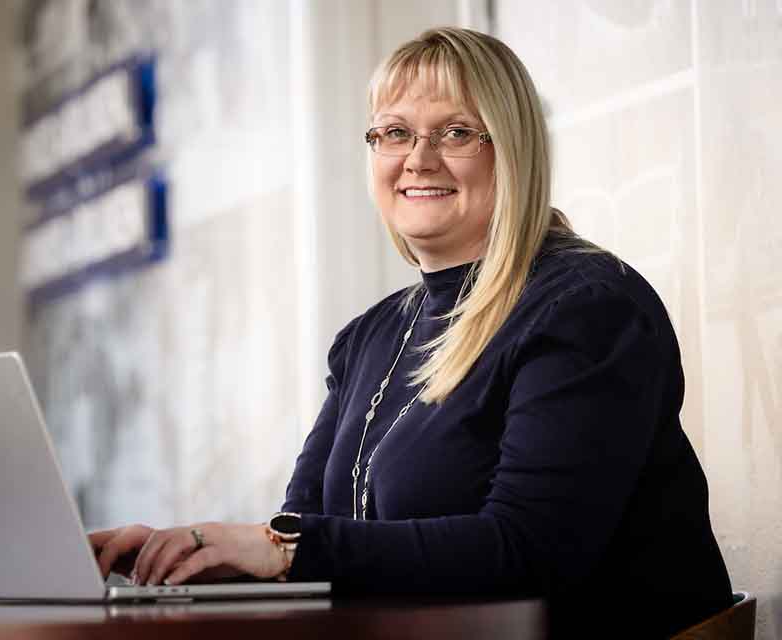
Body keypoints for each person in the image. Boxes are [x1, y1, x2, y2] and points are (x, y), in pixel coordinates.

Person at [90, 27, 732, 637]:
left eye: (455, 132)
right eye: (394, 132)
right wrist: (181, 558)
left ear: (511, 150)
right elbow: (314, 549)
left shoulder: (588, 307)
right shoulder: (368, 338)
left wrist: (277, 547)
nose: (418, 160)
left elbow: (529, 552)